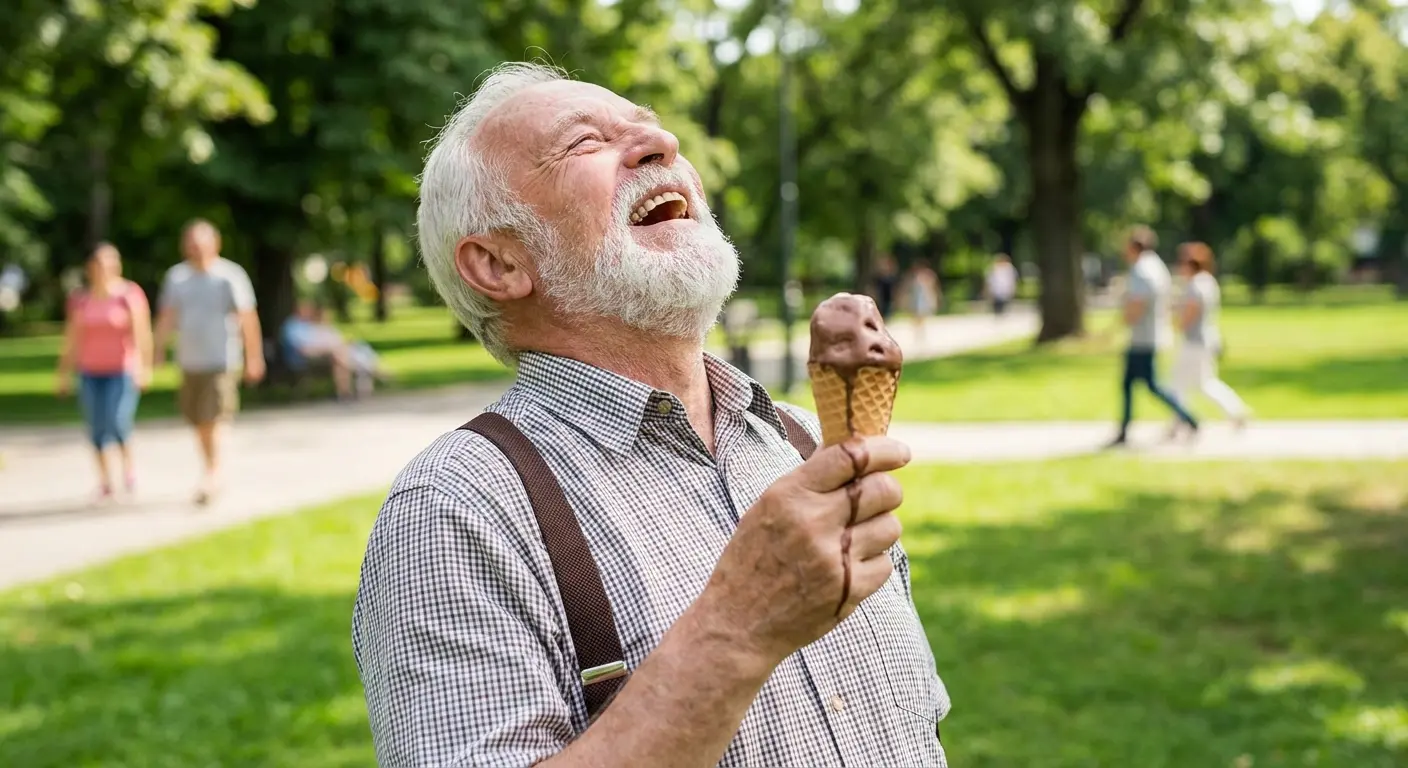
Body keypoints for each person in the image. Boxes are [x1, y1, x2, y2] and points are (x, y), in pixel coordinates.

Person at [352, 63, 949, 768]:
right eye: (583, 143)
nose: (659, 142)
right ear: (498, 264)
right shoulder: (457, 510)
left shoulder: (804, 441)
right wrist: (737, 628)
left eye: (649, 125)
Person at [153, 220, 265, 504]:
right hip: (190, 361)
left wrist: (254, 356)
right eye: (191, 243)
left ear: (214, 244)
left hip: (222, 359)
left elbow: (247, 318)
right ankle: (211, 468)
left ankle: (212, 475)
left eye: (201, 243)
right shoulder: (176, 278)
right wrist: (157, 350)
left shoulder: (229, 275)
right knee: (197, 420)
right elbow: (167, 316)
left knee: (213, 417)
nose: (196, 249)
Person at [55, 243, 153, 501]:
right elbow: (72, 339)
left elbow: (142, 335)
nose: (103, 269)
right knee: (96, 427)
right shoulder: (81, 300)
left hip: (120, 370)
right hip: (90, 372)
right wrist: (63, 373)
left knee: (118, 420)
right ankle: (105, 480)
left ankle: (128, 469)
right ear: (90, 268)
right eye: (98, 264)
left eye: (108, 263)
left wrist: (144, 367)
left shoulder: (128, 295)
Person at [1107, 226, 1198, 447]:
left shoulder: (1141, 269)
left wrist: (1122, 322)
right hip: (1154, 333)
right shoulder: (1157, 266)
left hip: (1143, 337)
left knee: (1151, 385)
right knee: (1131, 383)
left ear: (1134, 246)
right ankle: (1124, 428)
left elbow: (1138, 302)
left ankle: (1189, 418)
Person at [1169, 242, 1250, 434]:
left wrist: (1175, 320)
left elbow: (1188, 316)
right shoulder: (1208, 282)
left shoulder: (1195, 285)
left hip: (1193, 342)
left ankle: (1181, 419)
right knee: (1205, 383)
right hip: (1207, 340)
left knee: (1177, 384)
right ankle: (1235, 411)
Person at [280, 300, 384, 399]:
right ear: (296, 310)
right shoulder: (292, 326)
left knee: (339, 358)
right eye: (305, 309)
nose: (308, 312)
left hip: (323, 353)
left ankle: (344, 392)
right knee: (340, 355)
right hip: (303, 357)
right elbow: (302, 349)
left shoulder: (309, 325)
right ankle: (363, 370)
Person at [901, 258, 941, 343]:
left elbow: (933, 288)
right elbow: (907, 288)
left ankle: (920, 333)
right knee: (916, 317)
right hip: (915, 299)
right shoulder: (912, 276)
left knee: (921, 316)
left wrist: (933, 299)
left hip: (922, 299)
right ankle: (918, 333)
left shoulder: (928, 275)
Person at [985, 253, 1018, 317]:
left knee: (1005, 304)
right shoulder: (993, 268)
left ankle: (1003, 315)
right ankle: (998, 314)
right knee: (997, 304)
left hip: (1006, 289)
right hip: (996, 290)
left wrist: (1013, 288)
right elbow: (989, 280)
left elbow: (1012, 279)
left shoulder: (1009, 268)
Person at [872, 254, 900, 319]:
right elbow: (875, 287)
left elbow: (894, 288)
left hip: (889, 297)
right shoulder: (879, 277)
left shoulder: (891, 277)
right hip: (881, 297)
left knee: (887, 311)